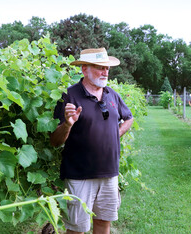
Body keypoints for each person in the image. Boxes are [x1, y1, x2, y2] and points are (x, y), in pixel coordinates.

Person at [50, 48, 134, 234]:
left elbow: (128, 118)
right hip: (80, 176)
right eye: (99, 67)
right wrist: (68, 125)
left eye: (107, 68)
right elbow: (55, 141)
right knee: (77, 228)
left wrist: (115, 134)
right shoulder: (69, 96)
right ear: (84, 69)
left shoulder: (112, 95)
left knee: (104, 222)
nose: (105, 72)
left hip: (109, 173)